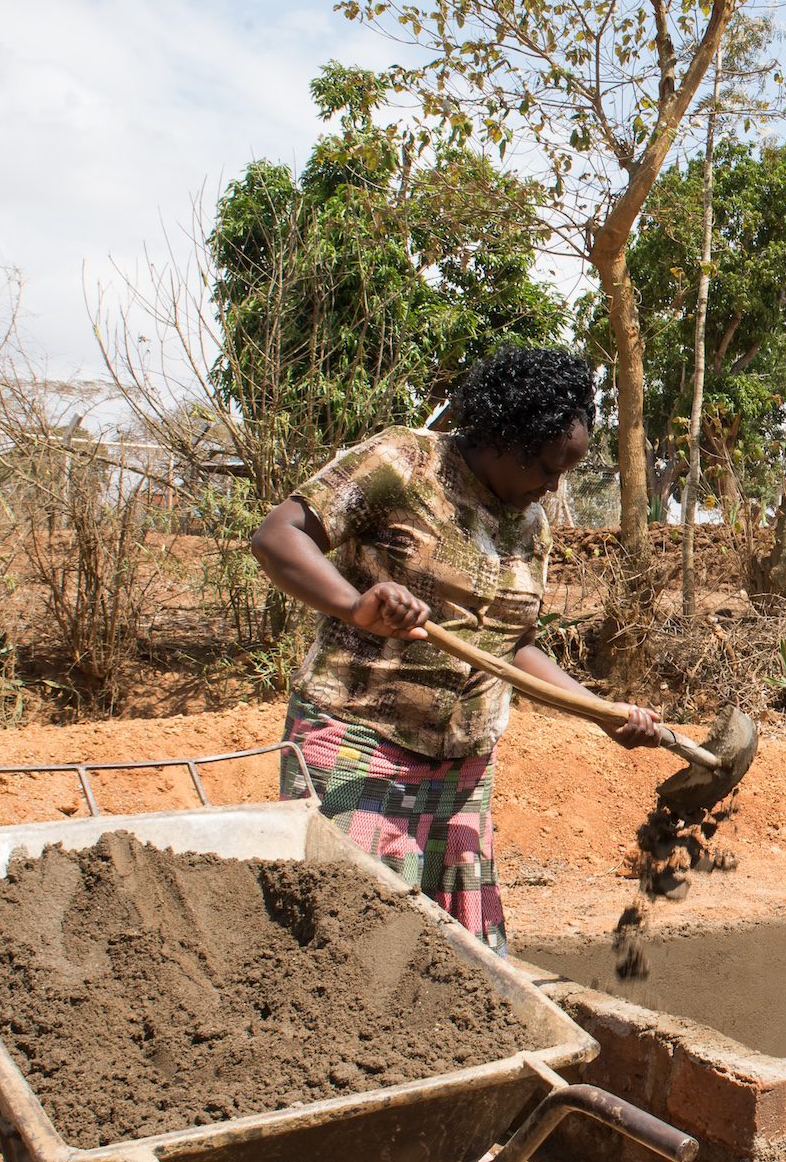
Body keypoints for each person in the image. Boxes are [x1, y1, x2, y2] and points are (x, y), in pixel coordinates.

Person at [249, 344, 663, 956]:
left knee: (463, 965)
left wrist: (601, 713)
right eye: (547, 467)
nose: (553, 487)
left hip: (462, 773)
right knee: (355, 950)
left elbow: (513, 647)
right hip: (360, 749)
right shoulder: (403, 463)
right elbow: (277, 536)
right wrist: (354, 605)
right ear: (504, 437)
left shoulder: (531, 526)